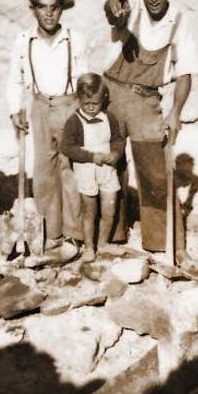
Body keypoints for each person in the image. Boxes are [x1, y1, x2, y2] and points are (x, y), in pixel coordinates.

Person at [102, 0, 198, 259]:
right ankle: (109, 235)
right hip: (112, 96)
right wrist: (114, 6)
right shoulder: (130, 12)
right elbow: (114, 13)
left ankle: (163, 241)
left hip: (147, 102)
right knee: (109, 166)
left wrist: (175, 113)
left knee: (154, 172)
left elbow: (185, 73)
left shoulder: (181, 21)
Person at [7, 0, 87, 248]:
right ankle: (50, 233)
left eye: (54, 7)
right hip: (39, 107)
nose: (49, 13)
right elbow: (14, 80)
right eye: (42, 7)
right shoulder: (23, 40)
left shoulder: (75, 40)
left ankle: (74, 234)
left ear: (62, 9)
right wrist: (14, 110)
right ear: (33, 9)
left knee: (70, 170)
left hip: (69, 105)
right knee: (43, 171)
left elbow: (85, 80)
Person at [59, 74, 125, 262]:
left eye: (95, 103)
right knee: (89, 211)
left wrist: (115, 153)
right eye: (86, 103)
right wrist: (91, 157)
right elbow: (66, 147)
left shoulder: (109, 118)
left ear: (102, 99)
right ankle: (89, 247)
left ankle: (104, 244)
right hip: (86, 170)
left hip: (107, 170)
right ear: (79, 99)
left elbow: (118, 140)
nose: (90, 108)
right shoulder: (75, 121)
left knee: (109, 208)